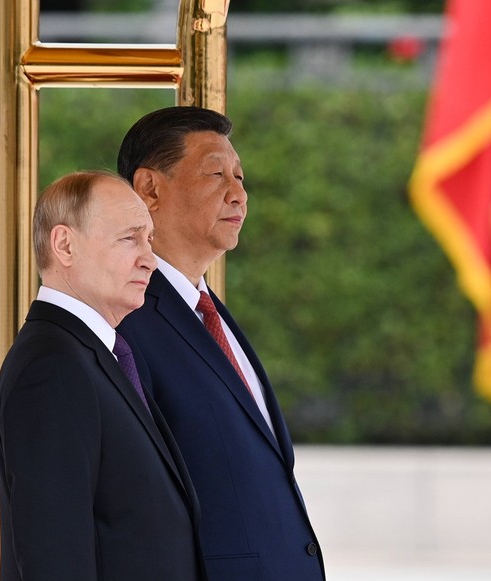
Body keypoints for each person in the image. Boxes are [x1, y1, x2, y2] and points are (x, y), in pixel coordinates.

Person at [116, 106, 325, 581]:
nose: (239, 194)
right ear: (149, 188)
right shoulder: (123, 320)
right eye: (216, 173)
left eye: (240, 176)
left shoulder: (208, 310)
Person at [0, 170, 205, 580]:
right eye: (130, 238)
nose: (150, 258)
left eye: (149, 239)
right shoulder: (53, 368)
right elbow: (53, 556)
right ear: (65, 245)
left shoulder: (98, 355)